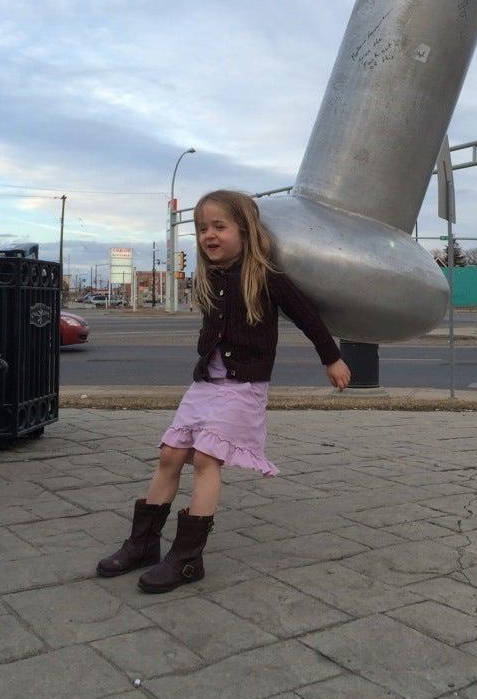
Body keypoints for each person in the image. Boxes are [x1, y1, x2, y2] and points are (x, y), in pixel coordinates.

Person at [96, 189, 350, 593]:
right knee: (170, 454)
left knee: (205, 459)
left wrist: (331, 358)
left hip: (243, 388)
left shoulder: (267, 277)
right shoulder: (210, 276)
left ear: (246, 230)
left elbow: (308, 318)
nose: (208, 235)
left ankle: (186, 559)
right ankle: (142, 544)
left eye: (219, 226)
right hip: (205, 384)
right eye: (201, 229)